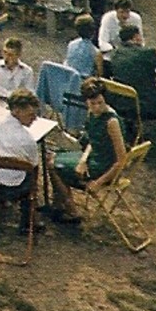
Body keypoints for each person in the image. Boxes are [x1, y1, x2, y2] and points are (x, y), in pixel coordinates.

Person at [0, 90, 79, 232]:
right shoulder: (27, 140)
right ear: (17, 111)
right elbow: (33, 166)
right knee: (31, 173)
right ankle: (28, 220)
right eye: (31, 114)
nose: (35, 118)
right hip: (15, 189)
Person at [105, 26, 156, 159]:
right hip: (143, 105)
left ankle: (130, 131)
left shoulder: (115, 54)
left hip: (120, 102)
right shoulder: (147, 53)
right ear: (136, 37)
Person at [51, 79, 126, 216]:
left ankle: (71, 211)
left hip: (105, 167)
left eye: (100, 103)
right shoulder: (92, 113)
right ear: (86, 102)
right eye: (92, 104)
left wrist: (99, 182)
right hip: (93, 158)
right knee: (56, 154)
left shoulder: (111, 122)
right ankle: (59, 205)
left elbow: (121, 159)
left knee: (53, 164)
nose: (97, 107)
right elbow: (93, 140)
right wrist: (83, 160)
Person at [0, 37, 35, 105]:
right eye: (5, 52)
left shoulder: (27, 71)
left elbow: (29, 94)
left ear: (18, 55)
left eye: (10, 55)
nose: (6, 57)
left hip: (16, 104)